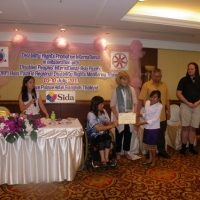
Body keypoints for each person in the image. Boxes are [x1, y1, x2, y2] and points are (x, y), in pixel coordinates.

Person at [139, 68, 171, 159]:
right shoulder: (146, 85)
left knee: (161, 135)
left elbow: (167, 99)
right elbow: (143, 99)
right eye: (155, 76)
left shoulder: (164, 85)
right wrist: (150, 110)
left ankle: (161, 151)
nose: (157, 78)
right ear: (152, 76)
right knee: (150, 135)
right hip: (151, 116)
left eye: (159, 76)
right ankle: (149, 153)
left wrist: (169, 111)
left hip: (162, 116)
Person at [110, 71, 138, 160]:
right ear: (119, 80)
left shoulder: (132, 89)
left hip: (129, 116)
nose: (125, 81)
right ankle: (118, 152)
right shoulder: (116, 90)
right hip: (120, 116)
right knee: (119, 134)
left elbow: (135, 103)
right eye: (123, 79)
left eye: (126, 79)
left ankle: (126, 151)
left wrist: (135, 113)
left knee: (128, 134)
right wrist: (117, 115)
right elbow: (112, 105)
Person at [87, 96, 118, 166]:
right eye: (101, 104)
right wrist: (112, 126)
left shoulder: (103, 112)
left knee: (107, 137)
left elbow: (107, 122)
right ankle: (102, 159)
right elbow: (98, 128)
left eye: (103, 104)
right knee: (101, 138)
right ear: (95, 104)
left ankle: (106, 158)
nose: (103, 105)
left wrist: (114, 122)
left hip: (103, 133)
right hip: (94, 135)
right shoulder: (91, 114)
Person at [176, 62, 200, 155]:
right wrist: (188, 103)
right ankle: (183, 148)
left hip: (197, 106)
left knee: (193, 128)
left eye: (192, 69)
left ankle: (191, 147)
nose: (190, 70)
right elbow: (178, 93)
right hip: (185, 106)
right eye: (189, 68)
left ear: (196, 70)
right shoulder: (183, 80)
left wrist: (197, 102)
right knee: (185, 127)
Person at [135, 90, 163, 168]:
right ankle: (150, 159)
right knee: (149, 145)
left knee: (153, 146)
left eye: (155, 97)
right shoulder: (147, 102)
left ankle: (154, 160)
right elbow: (146, 114)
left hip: (154, 128)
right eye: (151, 96)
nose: (152, 99)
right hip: (147, 127)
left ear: (159, 98)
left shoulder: (159, 106)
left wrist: (141, 123)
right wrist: (139, 115)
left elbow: (154, 119)